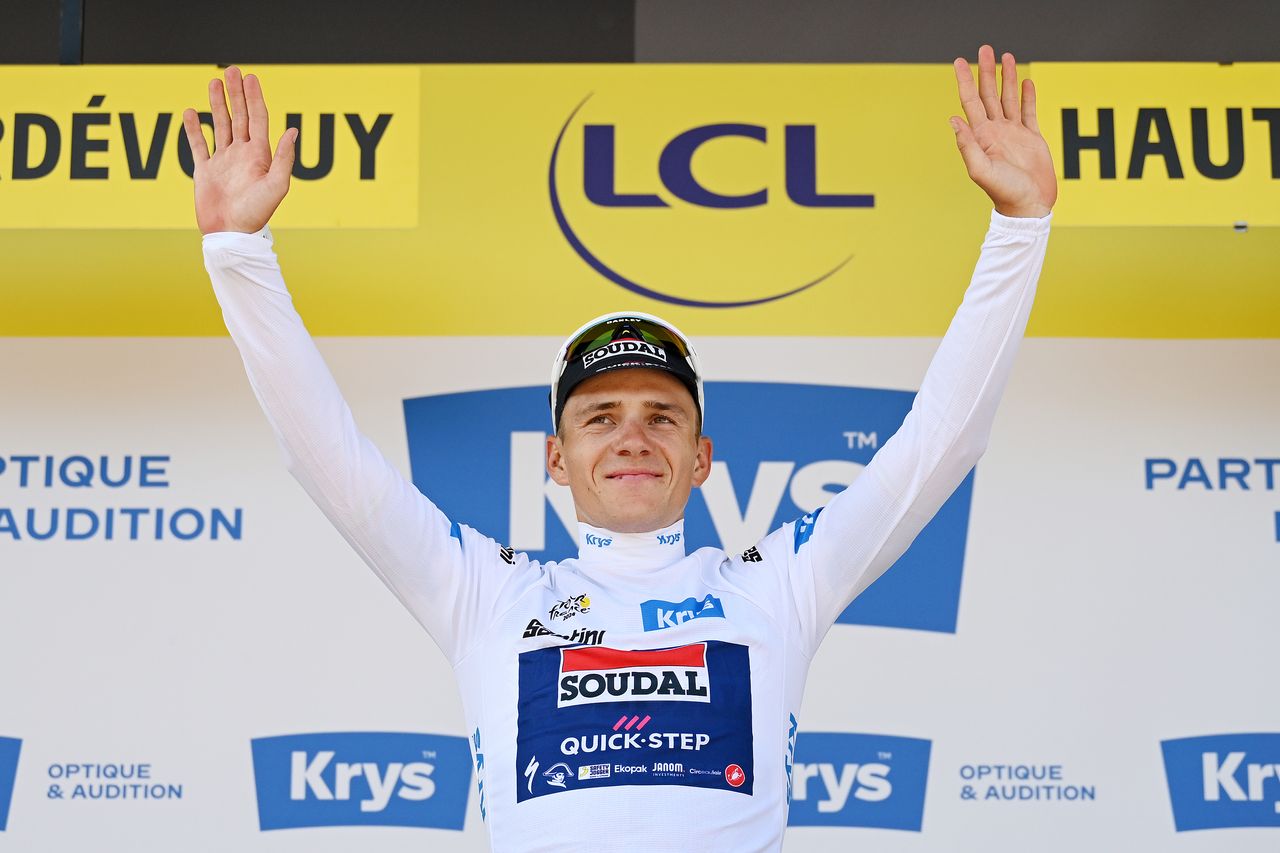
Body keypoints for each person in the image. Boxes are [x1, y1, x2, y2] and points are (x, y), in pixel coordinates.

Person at [185, 43, 1054, 851]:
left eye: (661, 415)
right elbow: (328, 457)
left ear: (703, 455)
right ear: (555, 459)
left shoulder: (778, 583)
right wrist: (237, 253)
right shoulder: (488, 592)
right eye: (599, 417)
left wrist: (1019, 230)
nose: (633, 435)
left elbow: (942, 440)